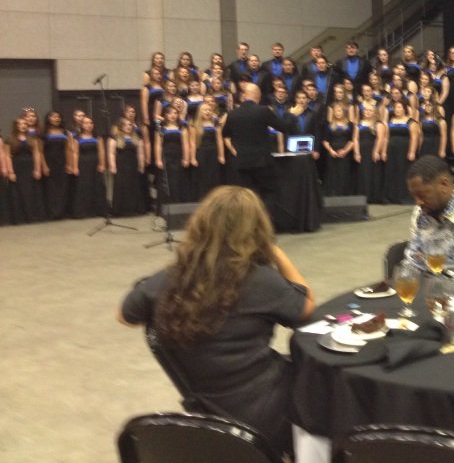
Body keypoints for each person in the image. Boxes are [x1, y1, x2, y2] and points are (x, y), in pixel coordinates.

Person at [118, 186, 315, 457]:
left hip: (207, 408)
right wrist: (275, 252)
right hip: (267, 412)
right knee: (327, 382)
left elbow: (125, 316)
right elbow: (307, 310)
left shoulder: (170, 280)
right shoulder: (260, 280)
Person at [222, 84, 288, 209]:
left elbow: (225, 134)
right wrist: (290, 115)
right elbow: (283, 127)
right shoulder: (263, 111)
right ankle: (263, 221)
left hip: (242, 162)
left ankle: (248, 222)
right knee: (269, 191)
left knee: (246, 194)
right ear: (259, 96)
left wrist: (235, 149)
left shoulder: (233, 114)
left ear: (244, 96)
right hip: (261, 161)